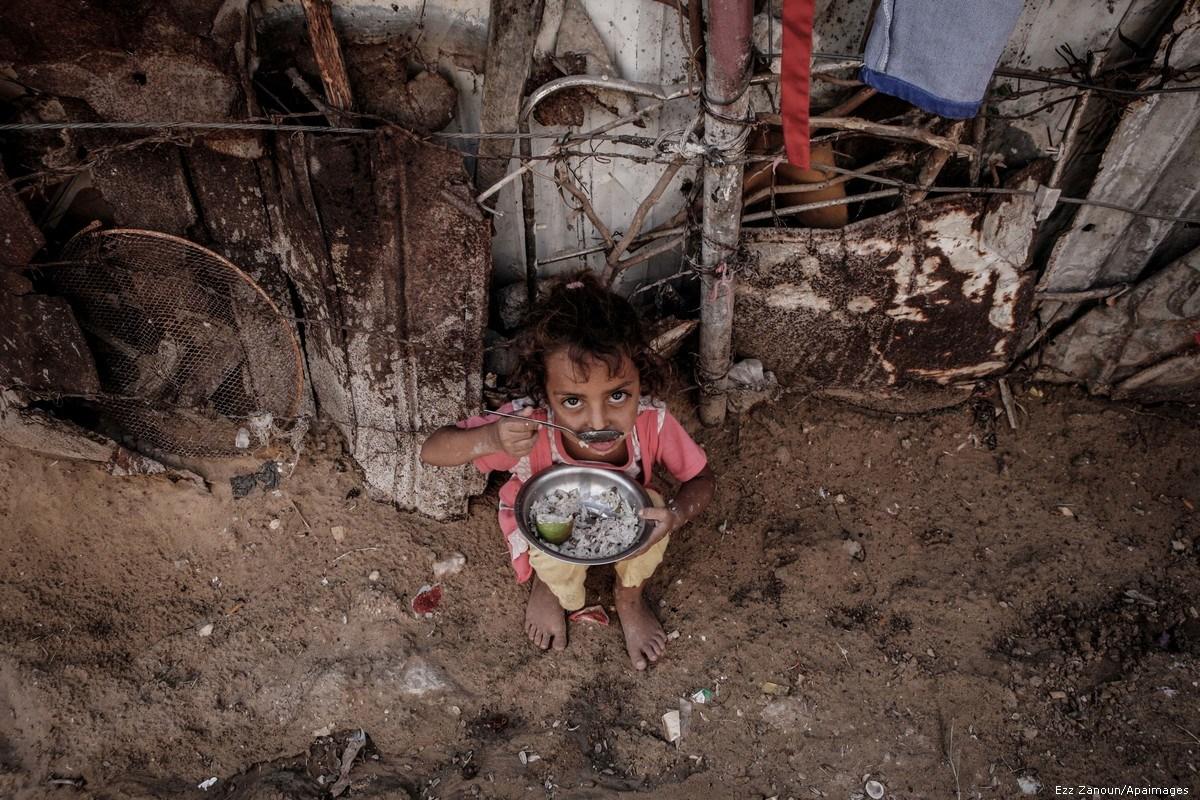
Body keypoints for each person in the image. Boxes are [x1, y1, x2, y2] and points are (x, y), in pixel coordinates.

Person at [421, 274, 716, 670]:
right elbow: (432, 451)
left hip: (625, 522)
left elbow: (701, 479)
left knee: (654, 512)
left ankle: (629, 596)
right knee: (549, 548)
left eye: (617, 395)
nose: (598, 420)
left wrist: (675, 517)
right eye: (573, 401)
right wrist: (491, 438)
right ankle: (551, 587)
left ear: (640, 381)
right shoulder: (531, 425)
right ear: (545, 392)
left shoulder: (652, 422)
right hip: (546, 529)